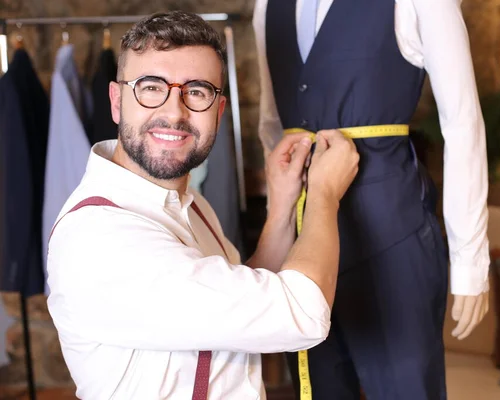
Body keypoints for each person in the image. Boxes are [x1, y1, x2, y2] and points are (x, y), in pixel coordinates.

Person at [46, 11, 359, 400]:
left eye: (196, 91)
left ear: (218, 111)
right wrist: (325, 194)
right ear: (115, 100)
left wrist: (282, 204)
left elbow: (242, 296)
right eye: (150, 86)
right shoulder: (99, 239)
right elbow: (302, 315)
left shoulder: (187, 203)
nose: (174, 112)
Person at [253, 0, 490, 399]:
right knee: (321, 388)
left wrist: (470, 260)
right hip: (305, 246)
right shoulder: (266, 5)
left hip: (395, 238)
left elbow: (462, 120)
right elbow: (271, 124)